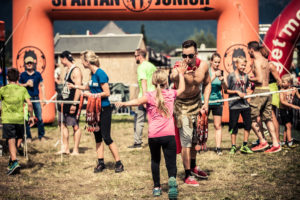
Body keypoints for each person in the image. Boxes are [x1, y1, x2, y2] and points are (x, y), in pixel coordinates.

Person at [116, 68, 185, 198]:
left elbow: (136, 102)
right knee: (171, 161)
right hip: (169, 135)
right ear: (166, 81)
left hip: (154, 136)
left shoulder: (149, 95)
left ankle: (157, 187)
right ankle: (171, 180)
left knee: (155, 160)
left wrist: (124, 103)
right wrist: (181, 74)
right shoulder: (170, 93)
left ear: (153, 82)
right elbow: (182, 89)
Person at [68, 50, 124, 173]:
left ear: (87, 62)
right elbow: (88, 87)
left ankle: (119, 163)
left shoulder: (100, 74)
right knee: (97, 136)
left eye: (82, 61)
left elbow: (107, 93)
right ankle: (101, 163)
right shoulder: (93, 75)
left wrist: (92, 96)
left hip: (104, 109)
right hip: (95, 110)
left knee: (106, 137)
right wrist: (75, 86)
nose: (81, 63)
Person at [170, 40, 211, 186]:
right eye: (184, 55)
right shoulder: (179, 67)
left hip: (197, 104)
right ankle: (187, 174)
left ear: (196, 54)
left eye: (190, 55)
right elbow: (172, 76)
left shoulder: (204, 65)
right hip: (182, 106)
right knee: (186, 141)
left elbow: (207, 84)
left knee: (195, 139)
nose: (187, 59)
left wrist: (206, 103)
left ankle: (193, 167)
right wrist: (179, 73)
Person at [247, 41, 281, 153]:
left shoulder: (256, 61)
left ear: (251, 50)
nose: (248, 53)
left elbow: (259, 79)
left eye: (248, 51)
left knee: (250, 117)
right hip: (267, 90)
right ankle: (276, 144)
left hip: (260, 91)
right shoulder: (266, 61)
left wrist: (248, 78)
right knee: (267, 118)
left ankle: (263, 141)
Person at [1, 68, 35, 175]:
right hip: (20, 119)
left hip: (8, 119)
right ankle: (12, 161)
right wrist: (31, 116)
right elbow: (29, 104)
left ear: (7, 77)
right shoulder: (22, 90)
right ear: (18, 78)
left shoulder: (3, 89)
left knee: (11, 140)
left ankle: (14, 161)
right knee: (19, 138)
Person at [128, 48, 157, 149]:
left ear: (140, 56)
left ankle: (137, 143)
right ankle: (155, 140)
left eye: (135, 56)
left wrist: (145, 98)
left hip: (144, 97)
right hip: (154, 96)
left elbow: (144, 82)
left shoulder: (141, 67)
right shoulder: (152, 66)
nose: (135, 58)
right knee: (153, 120)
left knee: (139, 120)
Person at [226, 56, 253, 154]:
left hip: (245, 105)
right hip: (234, 105)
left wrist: (248, 95)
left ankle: (244, 145)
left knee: (248, 124)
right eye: (242, 65)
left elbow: (246, 89)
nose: (243, 67)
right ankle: (233, 146)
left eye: (245, 65)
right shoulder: (231, 76)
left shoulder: (246, 76)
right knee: (233, 126)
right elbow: (226, 90)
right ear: (236, 64)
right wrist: (237, 92)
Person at [57, 51, 82, 155]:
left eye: (61, 59)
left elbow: (78, 89)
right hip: (64, 103)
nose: (61, 62)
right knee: (62, 124)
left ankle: (75, 149)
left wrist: (74, 104)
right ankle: (65, 148)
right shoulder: (67, 70)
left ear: (64, 59)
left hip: (72, 102)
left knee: (75, 126)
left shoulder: (75, 71)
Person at [19, 56, 46, 142]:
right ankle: (28, 137)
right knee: (26, 119)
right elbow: (18, 85)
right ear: (25, 64)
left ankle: (41, 136)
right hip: (26, 99)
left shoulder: (38, 74)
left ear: (34, 64)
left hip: (36, 98)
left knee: (39, 118)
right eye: (27, 63)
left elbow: (42, 85)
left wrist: (44, 98)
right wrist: (26, 84)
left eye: (30, 63)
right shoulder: (22, 75)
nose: (29, 64)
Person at [205, 52, 227, 155]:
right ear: (211, 62)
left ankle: (218, 148)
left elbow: (226, 89)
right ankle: (202, 145)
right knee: (203, 125)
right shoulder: (207, 72)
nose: (217, 64)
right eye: (215, 62)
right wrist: (214, 76)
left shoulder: (221, 72)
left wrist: (223, 82)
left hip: (218, 101)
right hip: (206, 101)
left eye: (219, 62)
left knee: (217, 125)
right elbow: (205, 83)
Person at [279, 74, 300, 148]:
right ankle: (290, 141)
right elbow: (282, 101)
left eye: (284, 82)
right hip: (283, 110)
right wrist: (293, 106)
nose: (282, 83)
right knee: (288, 126)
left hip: (290, 110)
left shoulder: (293, 89)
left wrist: (296, 91)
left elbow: (299, 96)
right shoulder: (281, 90)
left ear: (289, 83)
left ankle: (284, 141)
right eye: (282, 82)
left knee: (287, 126)